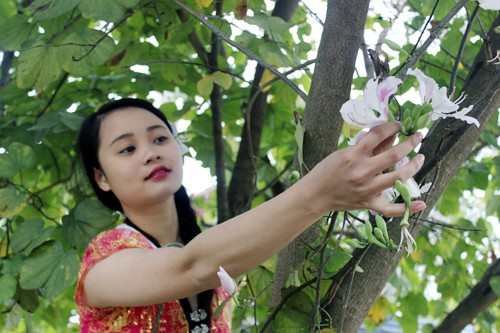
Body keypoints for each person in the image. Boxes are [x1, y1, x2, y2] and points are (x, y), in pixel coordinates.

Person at [74, 98, 426, 332]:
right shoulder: (105, 254)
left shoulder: (211, 246)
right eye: (128, 149)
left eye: (160, 139)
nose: (150, 153)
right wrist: (320, 193)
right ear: (101, 178)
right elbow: (192, 268)